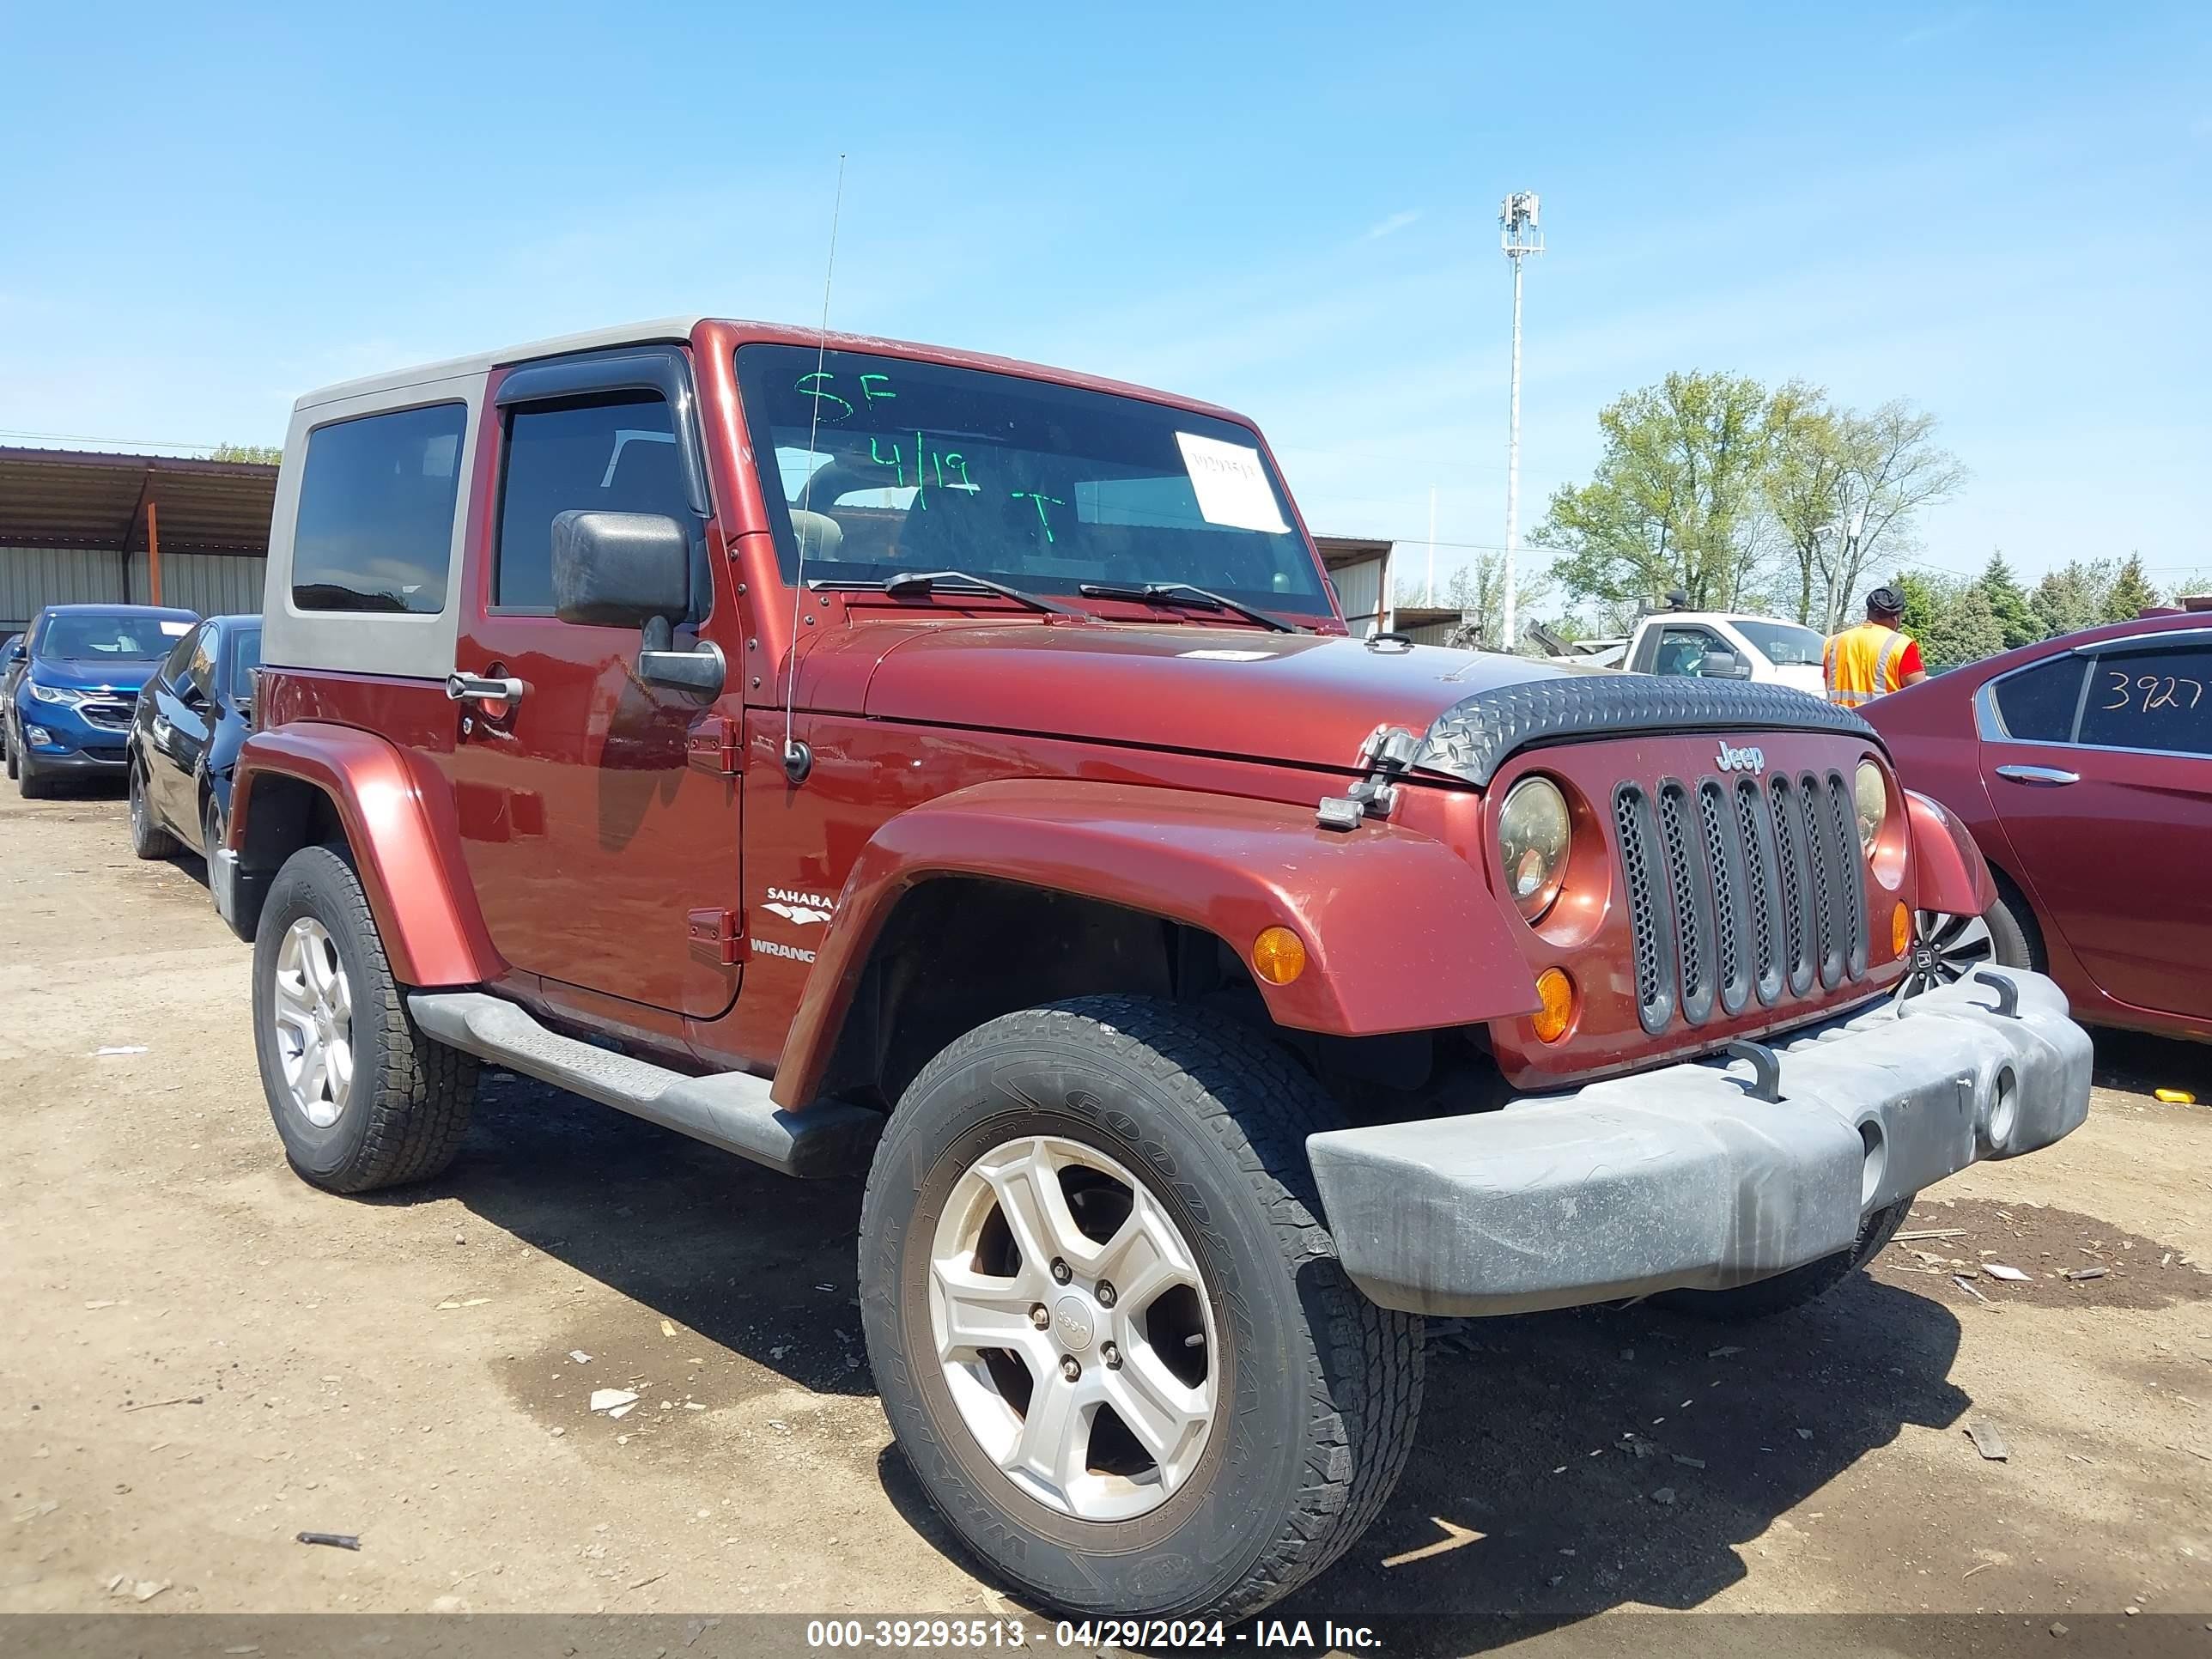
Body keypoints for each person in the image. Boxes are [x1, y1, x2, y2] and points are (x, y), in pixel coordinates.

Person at [1823, 586, 1928, 707]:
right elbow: (1922, 693)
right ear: (1896, 618)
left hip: (1840, 721)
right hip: (1883, 722)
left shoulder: (1833, 642)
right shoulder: (1902, 645)